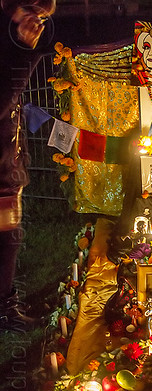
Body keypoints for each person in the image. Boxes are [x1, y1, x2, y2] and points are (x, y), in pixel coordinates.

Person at [0, 0, 56, 331]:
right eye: (30, 12)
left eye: (43, 18)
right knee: (6, 239)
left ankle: (6, 307)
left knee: (8, 239)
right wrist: (24, 50)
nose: (35, 23)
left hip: (7, 164)